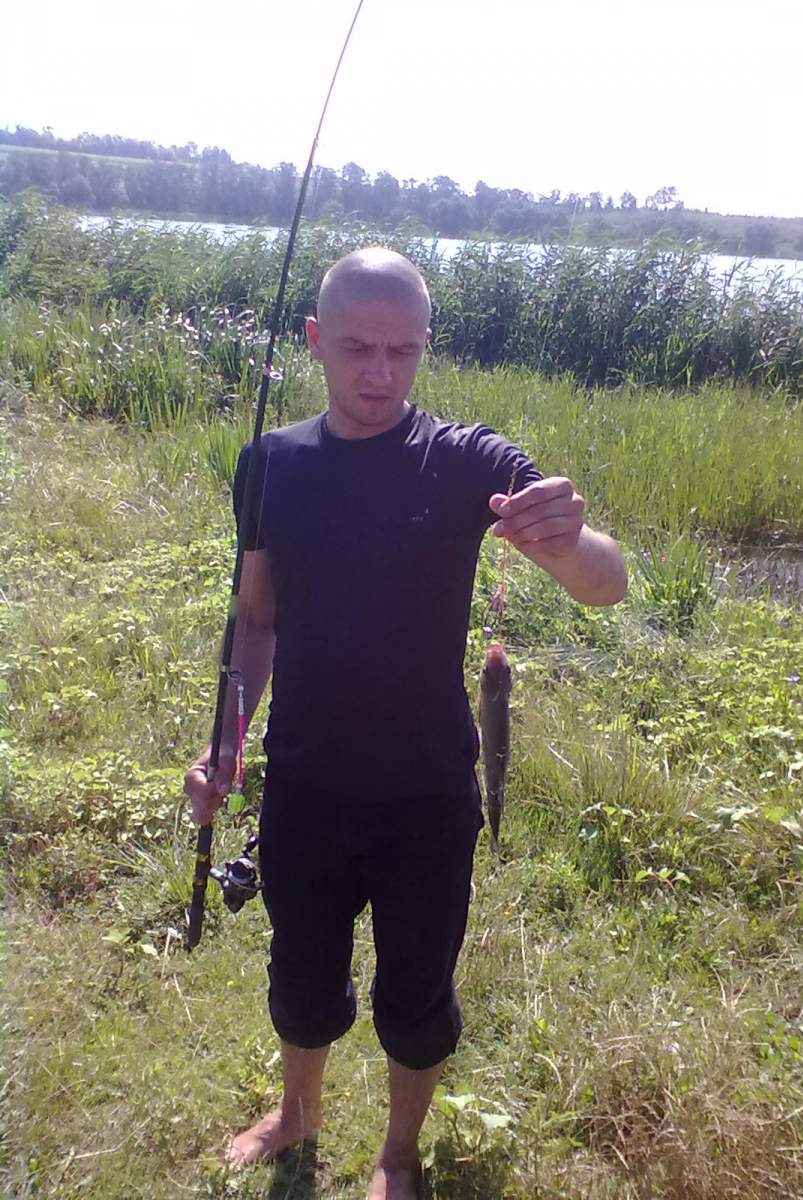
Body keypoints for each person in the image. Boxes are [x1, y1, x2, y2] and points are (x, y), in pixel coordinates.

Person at [184, 247, 627, 1200]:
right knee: (301, 978)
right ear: (315, 340)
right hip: (304, 782)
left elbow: (606, 584)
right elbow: (255, 617)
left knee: (418, 994)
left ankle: (397, 1151)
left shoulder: (465, 460)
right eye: (357, 348)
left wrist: (568, 536)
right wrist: (226, 740)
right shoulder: (271, 464)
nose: (380, 373)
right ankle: (297, 1114)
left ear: (426, 344)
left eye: (403, 350)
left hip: (427, 794)